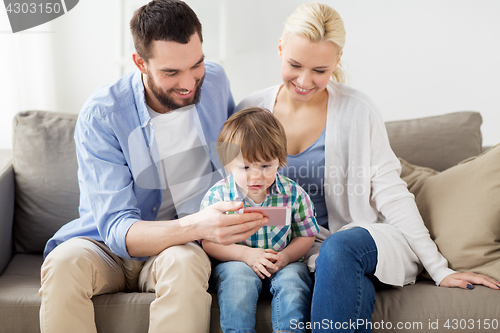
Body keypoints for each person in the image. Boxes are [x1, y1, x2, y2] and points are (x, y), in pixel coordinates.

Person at [236, 2, 500, 332]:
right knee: (326, 255)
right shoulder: (250, 110)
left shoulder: (358, 110)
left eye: (320, 70)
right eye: (295, 65)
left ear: (337, 61)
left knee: (337, 249)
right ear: (279, 49)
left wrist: (439, 268)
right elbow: (238, 192)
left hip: (357, 236)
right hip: (293, 245)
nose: (305, 80)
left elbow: (392, 193)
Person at [38, 1, 268, 333]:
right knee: (62, 265)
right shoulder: (102, 114)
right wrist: (200, 225)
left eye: (196, 64)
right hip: (105, 247)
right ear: (140, 63)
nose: (189, 83)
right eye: (171, 72)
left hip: (177, 250)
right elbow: (118, 230)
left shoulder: (215, 82)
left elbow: (238, 157)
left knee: (186, 263)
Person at [201, 107, 320, 333]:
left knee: (294, 279)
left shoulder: (293, 194)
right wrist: (246, 255)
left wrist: (285, 257)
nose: (256, 176)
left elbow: (306, 235)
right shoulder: (218, 196)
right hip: (237, 262)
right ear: (228, 165)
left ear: (279, 161)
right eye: (245, 167)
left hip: (281, 263)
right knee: (238, 279)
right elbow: (209, 242)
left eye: (266, 166)